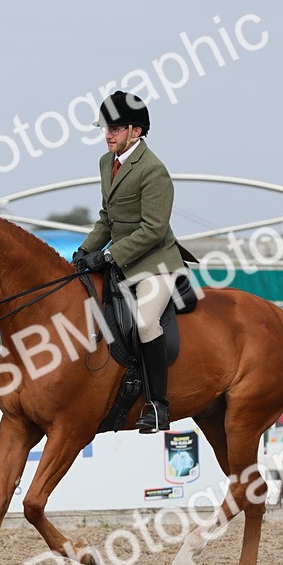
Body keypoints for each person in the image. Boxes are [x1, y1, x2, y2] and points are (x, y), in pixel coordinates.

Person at [73, 90, 194, 433]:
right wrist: (85, 251)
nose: (107, 134)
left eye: (115, 128)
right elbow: (106, 219)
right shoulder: (105, 163)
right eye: (105, 128)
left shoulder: (153, 171)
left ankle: (158, 406)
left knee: (145, 323)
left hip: (155, 262)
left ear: (135, 131)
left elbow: (154, 230)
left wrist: (109, 254)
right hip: (121, 260)